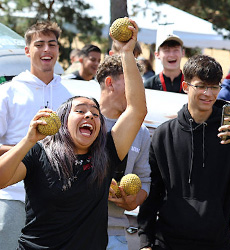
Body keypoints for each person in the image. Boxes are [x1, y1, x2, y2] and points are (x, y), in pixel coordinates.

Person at [0, 18, 147, 249]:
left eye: (95, 113)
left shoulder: (106, 153)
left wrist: (127, 53)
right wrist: (28, 140)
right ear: (61, 122)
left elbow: (137, 110)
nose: (89, 115)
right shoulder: (40, 154)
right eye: (80, 111)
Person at [0, 21, 96, 250]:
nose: (47, 50)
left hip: (58, 206)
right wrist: (28, 150)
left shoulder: (72, 96)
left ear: (59, 50)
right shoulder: (6, 92)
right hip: (11, 198)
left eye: (52, 44)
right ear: (27, 50)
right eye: (39, 44)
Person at [137, 55, 230, 250]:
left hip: (216, 243)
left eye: (214, 87)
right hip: (167, 242)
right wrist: (145, 242)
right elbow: (152, 192)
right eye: (201, 86)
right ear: (185, 86)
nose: (208, 93)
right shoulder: (164, 134)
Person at [96, 55, 151, 249]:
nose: (137, 91)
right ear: (110, 83)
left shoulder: (142, 132)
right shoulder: (82, 122)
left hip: (116, 235)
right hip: (76, 231)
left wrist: (133, 200)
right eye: (131, 83)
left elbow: (145, 180)